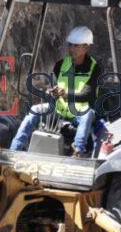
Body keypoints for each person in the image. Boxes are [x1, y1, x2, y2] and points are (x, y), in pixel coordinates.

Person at [10, 26, 104, 157]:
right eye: (70, 45)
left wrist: (66, 94)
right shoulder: (61, 65)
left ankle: (78, 151)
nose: (72, 49)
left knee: (87, 114)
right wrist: (52, 92)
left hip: (79, 112)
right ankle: (14, 149)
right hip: (59, 110)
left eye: (76, 46)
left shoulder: (95, 68)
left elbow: (88, 94)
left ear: (86, 47)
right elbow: (53, 86)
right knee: (35, 110)